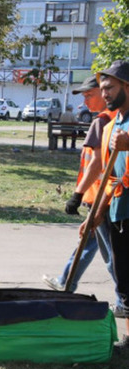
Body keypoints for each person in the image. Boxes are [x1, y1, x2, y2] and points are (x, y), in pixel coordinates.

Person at [42, 75, 123, 314]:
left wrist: (76, 195)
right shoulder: (114, 120)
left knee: (113, 257)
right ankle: (66, 281)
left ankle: (122, 301)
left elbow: (97, 163)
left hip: (103, 200)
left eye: (90, 95)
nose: (86, 101)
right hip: (102, 198)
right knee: (89, 244)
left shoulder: (103, 122)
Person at [81, 60, 129, 343]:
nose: (105, 93)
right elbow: (109, 177)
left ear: (126, 85)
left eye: (110, 87)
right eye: (102, 88)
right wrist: (96, 214)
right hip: (119, 210)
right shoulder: (111, 126)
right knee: (124, 278)